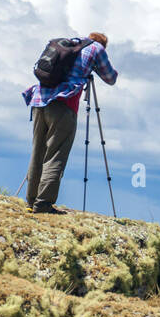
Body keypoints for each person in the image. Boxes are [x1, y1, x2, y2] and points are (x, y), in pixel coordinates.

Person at [22, 32, 118, 213]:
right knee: (56, 153)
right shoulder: (96, 49)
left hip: (39, 101)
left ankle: (31, 200)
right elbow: (111, 78)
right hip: (64, 104)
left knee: (38, 152)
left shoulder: (66, 43)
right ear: (103, 44)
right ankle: (43, 204)